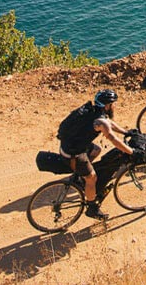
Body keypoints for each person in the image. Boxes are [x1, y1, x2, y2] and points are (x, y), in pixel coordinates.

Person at [57, 89, 135, 219]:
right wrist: (131, 151)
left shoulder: (93, 111)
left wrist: (126, 132)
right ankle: (92, 208)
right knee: (92, 177)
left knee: (96, 150)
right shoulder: (101, 121)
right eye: (112, 104)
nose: (113, 106)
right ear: (107, 105)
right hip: (73, 154)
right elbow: (113, 139)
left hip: (67, 146)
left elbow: (109, 123)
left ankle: (80, 175)